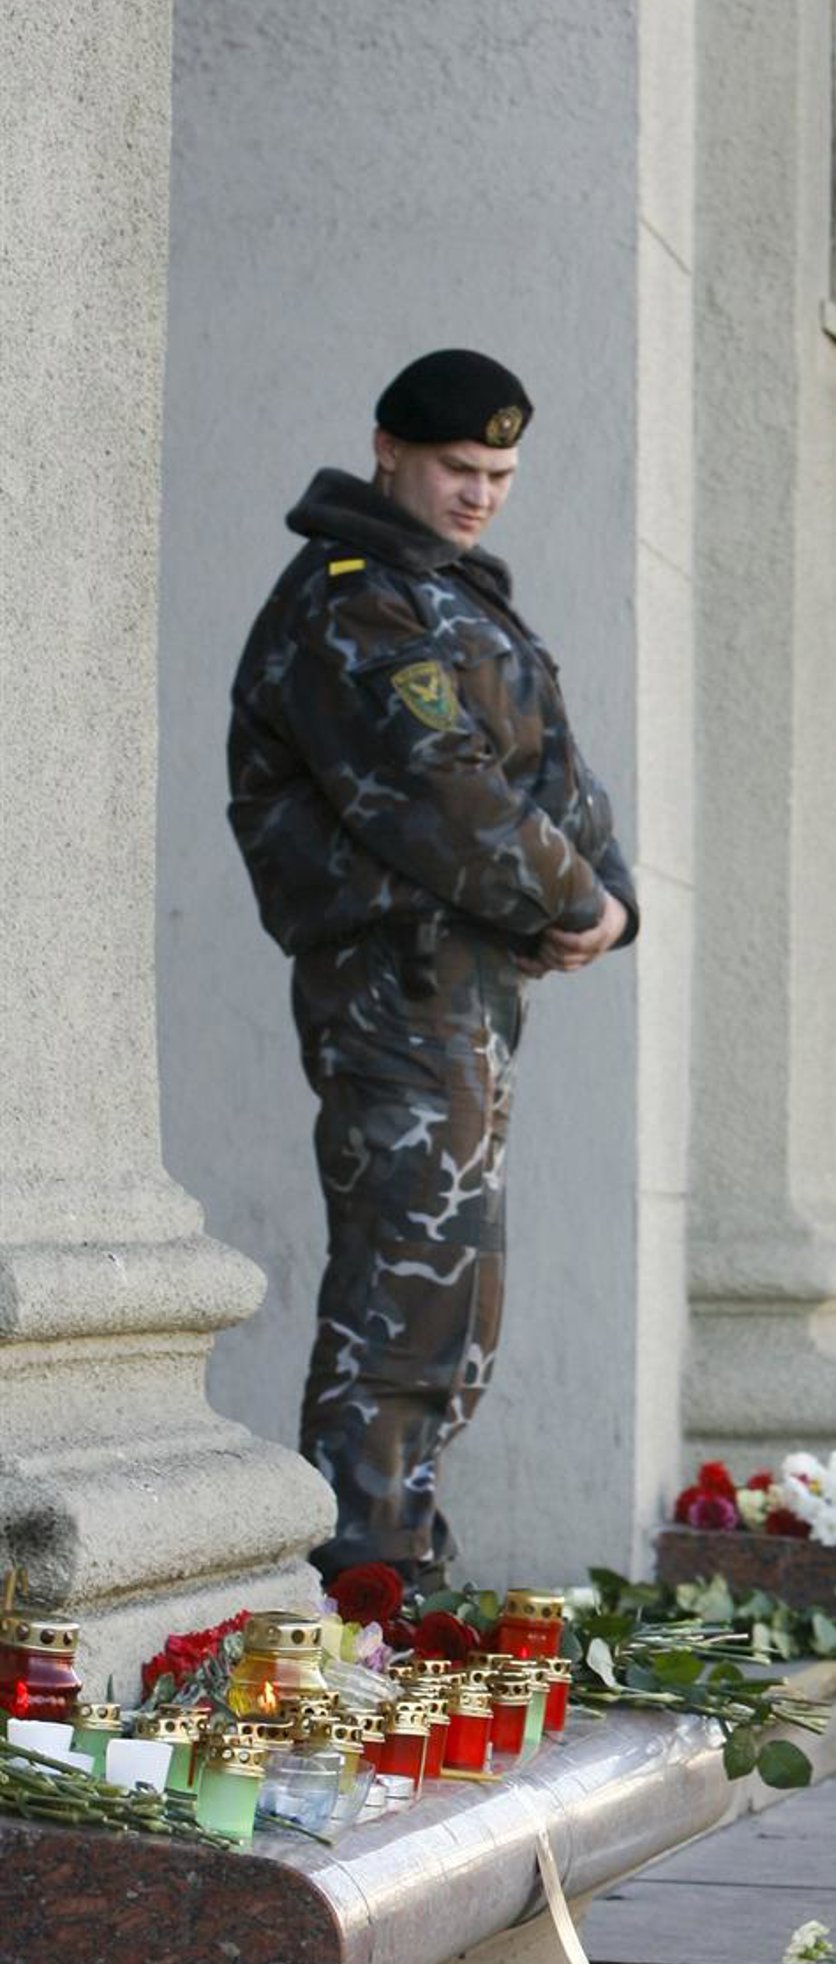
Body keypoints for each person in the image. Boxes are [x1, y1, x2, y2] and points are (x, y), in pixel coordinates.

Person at [228, 349, 637, 1588]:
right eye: (459, 467)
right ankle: (360, 1584)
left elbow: (556, 773)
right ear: (387, 448)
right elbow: (439, 789)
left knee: (454, 1298)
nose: (480, 494)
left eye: (501, 475)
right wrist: (578, 898)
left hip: (463, 987)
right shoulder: (350, 600)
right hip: (393, 986)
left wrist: (614, 900)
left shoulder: (454, 595)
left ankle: (398, 1566)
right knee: (405, 1292)